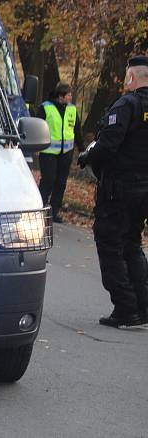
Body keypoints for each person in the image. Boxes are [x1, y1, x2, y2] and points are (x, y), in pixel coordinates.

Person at [78, 55, 148, 328]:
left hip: (119, 189)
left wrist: (87, 156)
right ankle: (142, 305)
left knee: (109, 243)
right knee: (131, 242)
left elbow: (106, 144)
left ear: (131, 78)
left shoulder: (127, 104)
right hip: (144, 188)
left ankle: (126, 308)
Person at [35, 83, 84, 223]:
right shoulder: (45, 107)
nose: (71, 97)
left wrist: (82, 149)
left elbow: (77, 130)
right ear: (61, 96)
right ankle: (39, 208)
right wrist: (36, 146)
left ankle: (54, 212)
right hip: (48, 151)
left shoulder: (72, 110)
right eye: (68, 94)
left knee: (60, 182)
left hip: (66, 153)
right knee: (48, 180)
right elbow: (37, 126)